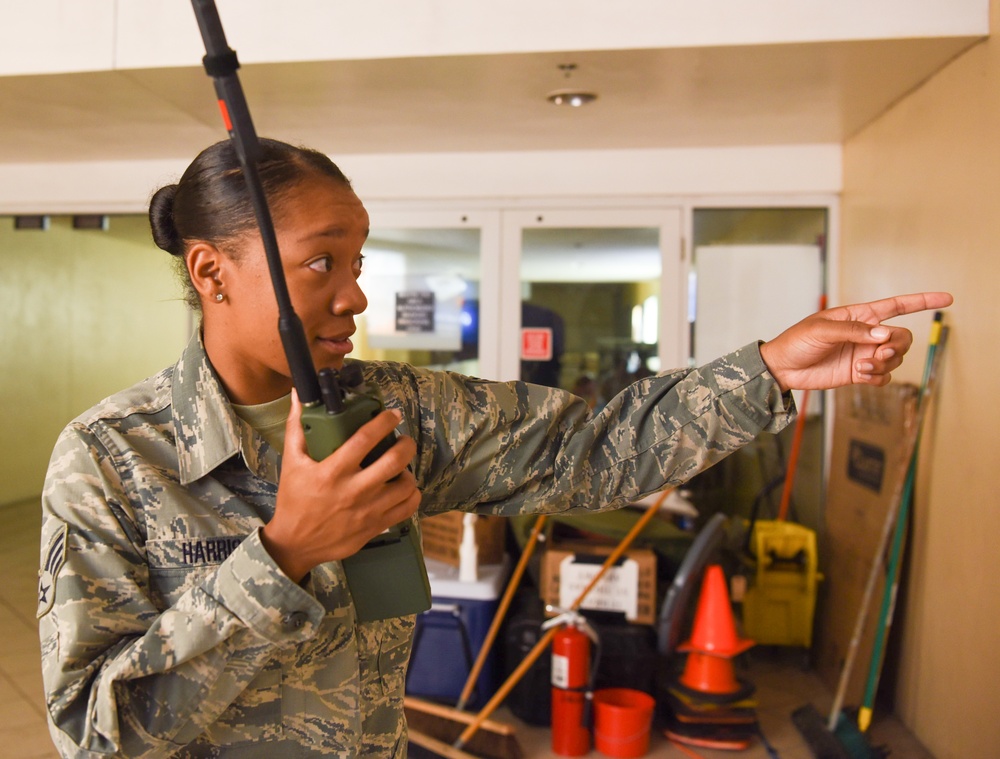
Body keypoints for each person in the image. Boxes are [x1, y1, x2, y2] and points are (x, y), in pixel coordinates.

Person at [37, 137, 952, 758]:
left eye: (359, 263)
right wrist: (283, 557)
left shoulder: (396, 411)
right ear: (211, 272)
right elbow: (93, 732)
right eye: (322, 263)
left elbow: (596, 444)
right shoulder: (112, 459)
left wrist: (770, 371)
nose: (355, 296)